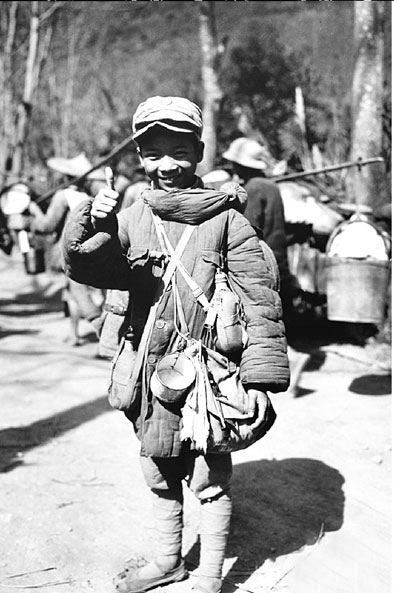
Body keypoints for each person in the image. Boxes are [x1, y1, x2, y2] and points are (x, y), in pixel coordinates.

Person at [62, 96, 290, 593]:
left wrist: (261, 374)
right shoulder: (130, 213)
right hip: (146, 364)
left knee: (208, 475)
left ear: (200, 151)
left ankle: (209, 576)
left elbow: (260, 295)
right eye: (154, 153)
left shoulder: (226, 218)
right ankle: (169, 561)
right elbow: (92, 269)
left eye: (180, 151)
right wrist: (91, 223)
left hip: (206, 372)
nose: (168, 165)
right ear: (141, 157)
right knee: (158, 463)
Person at [29, 153, 105, 346]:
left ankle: (102, 332)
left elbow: (47, 225)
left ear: (66, 178)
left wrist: (33, 214)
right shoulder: (88, 197)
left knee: (78, 291)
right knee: (71, 293)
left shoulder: (62, 196)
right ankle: (75, 334)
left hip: (69, 251)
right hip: (86, 249)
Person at [222, 137, 295, 319]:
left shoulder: (253, 188)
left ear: (241, 165)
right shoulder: (271, 186)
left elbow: (247, 227)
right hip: (275, 256)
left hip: (259, 257)